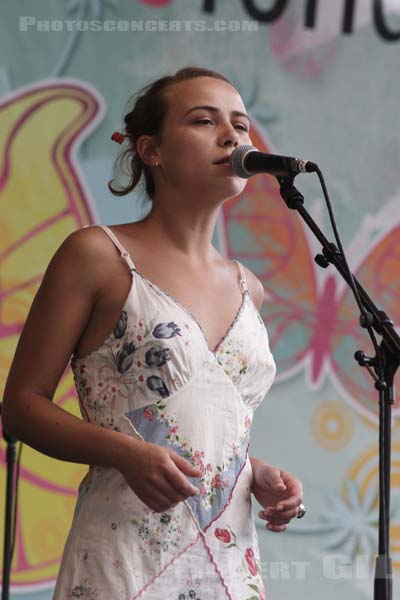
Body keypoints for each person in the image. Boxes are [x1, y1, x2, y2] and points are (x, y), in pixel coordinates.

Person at [3, 66, 304, 599]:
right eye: (203, 120)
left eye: (240, 124)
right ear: (151, 150)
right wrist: (124, 452)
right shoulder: (96, 255)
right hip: (124, 561)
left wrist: (255, 473)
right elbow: (22, 406)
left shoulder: (248, 288)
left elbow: (206, 422)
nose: (232, 136)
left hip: (229, 566)